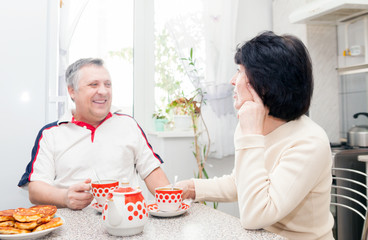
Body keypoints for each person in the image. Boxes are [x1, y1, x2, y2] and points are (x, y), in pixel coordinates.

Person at [177, 31, 334, 239]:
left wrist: (250, 135)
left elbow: (256, 215)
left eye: (241, 72)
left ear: (265, 84)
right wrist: (191, 188)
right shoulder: (252, 125)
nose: (233, 81)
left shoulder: (310, 141)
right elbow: (241, 182)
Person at [18, 58, 170, 210]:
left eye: (107, 84)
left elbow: (152, 172)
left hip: (126, 222)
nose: (103, 91)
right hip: (71, 226)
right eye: (93, 84)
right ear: (72, 91)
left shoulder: (128, 124)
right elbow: (35, 190)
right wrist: (64, 197)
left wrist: (172, 203)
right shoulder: (50, 134)